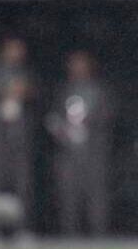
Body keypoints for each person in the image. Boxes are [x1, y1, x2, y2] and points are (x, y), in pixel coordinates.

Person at [46, 51, 114, 236]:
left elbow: (108, 117)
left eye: (82, 64)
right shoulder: (62, 91)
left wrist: (90, 125)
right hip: (67, 153)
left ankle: (99, 236)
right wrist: (63, 134)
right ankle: (69, 236)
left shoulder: (99, 90)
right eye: (74, 64)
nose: (78, 68)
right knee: (68, 195)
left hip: (93, 153)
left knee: (96, 195)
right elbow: (51, 118)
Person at [0, 37, 37, 236]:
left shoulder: (26, 73)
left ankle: (21, 230)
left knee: (22, 187)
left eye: (19, 50)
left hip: (19, 141)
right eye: (13, 49)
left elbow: (38, 99)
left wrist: (25, 93)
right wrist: (2, 94)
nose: (17, 54)